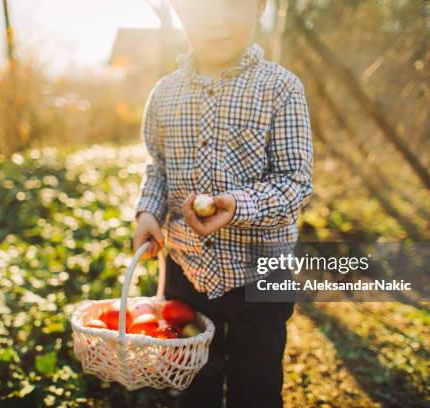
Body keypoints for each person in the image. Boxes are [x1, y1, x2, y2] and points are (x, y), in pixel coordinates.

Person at [132, 0, 314, 406]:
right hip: (187, 274)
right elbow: (157, 165)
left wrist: (236, 205)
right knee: (196, 380)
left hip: (260, 275)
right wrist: (148, 211)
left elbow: (295, 182)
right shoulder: (164, 94)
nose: (215, 20)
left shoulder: (280, 88)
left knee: (257, 384)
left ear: (259, 6)